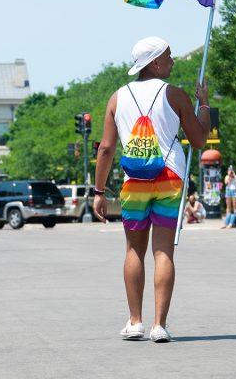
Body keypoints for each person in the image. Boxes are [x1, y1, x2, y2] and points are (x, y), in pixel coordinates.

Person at [92, 36, 210, 343]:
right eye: (169, 56)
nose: (172, 61)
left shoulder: (117, 98)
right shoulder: (176, 95)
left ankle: (135, 322)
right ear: (155, 62)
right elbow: (199, 140)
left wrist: (99, 191)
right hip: (169, 177)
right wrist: (205, 104)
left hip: (135, 182)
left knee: (134, 250)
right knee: (163, 252)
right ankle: (159, 325)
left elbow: (106, 148)